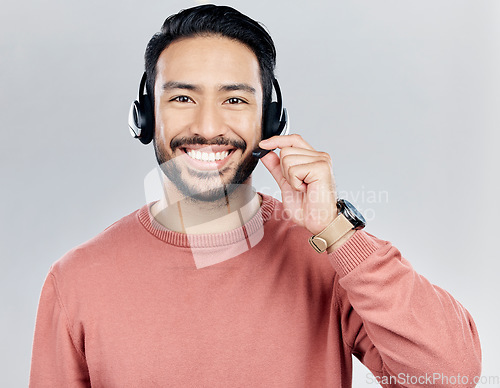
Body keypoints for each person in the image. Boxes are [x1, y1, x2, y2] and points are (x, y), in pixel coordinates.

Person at [29, 4, 481, 387]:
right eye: (182, 98)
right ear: (145, 117)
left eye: (235, 100)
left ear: (271, 118)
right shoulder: (76, 282)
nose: (207, 127)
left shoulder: (326, 257)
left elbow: (452, 376)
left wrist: (337, 233)